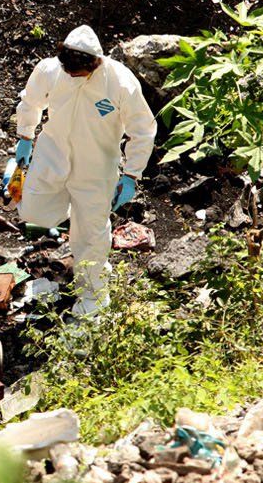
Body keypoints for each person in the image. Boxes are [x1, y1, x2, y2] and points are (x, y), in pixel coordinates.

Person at [13, 25, 156, 317]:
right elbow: (31, 101)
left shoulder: (119, 83)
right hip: (52, 154)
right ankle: (74, 218)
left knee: (91, 234)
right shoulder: (50, 71)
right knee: (33, 212)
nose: (73, 76)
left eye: (79, 72)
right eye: (69, 70)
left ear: (96, 63)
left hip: (96, 166)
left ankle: (91, 301)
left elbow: (143, 129)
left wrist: (131, 175)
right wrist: (25, 136)